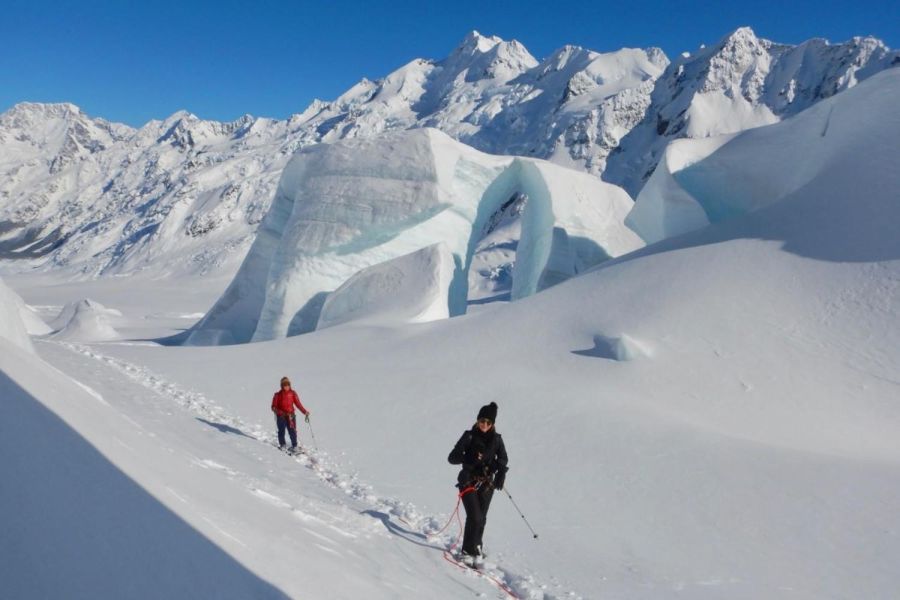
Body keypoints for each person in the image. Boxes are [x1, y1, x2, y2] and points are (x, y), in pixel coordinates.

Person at [447, 401, 508, 566]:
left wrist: (501, 473)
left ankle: (477, 546)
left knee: (481, 518)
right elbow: (452, 457)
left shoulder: (497, 439)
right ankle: (467, 551)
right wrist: (469, 457)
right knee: (475, 516)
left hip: (487, 483)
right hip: (468, 480)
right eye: (482, 421)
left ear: (493, 424)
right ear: (477, 420)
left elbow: (503, 459)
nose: (485, 425)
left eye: (489, 422)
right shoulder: (469, 436)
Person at [271, 376, 310, 452]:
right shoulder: (277, 395)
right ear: (282, 386)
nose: (286, 386)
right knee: (281, 431)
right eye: (284, 385)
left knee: (293, 431)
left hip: (291, 416)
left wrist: (305, 412)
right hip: (281, 416)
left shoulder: (293, 393)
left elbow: (298, 404)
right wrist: (279, 412)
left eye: (288, 384)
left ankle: (295, 446)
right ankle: (283, 445)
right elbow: (273, 407)